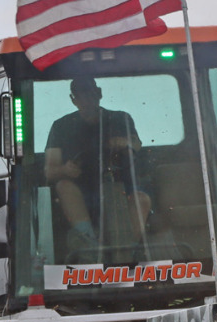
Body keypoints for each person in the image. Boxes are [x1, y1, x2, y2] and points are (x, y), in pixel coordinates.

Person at [44, 75, 151, 253]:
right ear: (73, 99)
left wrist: (123, 142)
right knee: (63, 186)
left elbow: (136, 144)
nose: (86, 100)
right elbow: (49, 170)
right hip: (83, 191)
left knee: (142, 199)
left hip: (123, 184)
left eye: (91, 94)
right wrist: (65, 169)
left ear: (99, 94)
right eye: (81, 96)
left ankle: (126, 251)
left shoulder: (121, 118)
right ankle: (92, 248)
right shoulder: (60, 126)